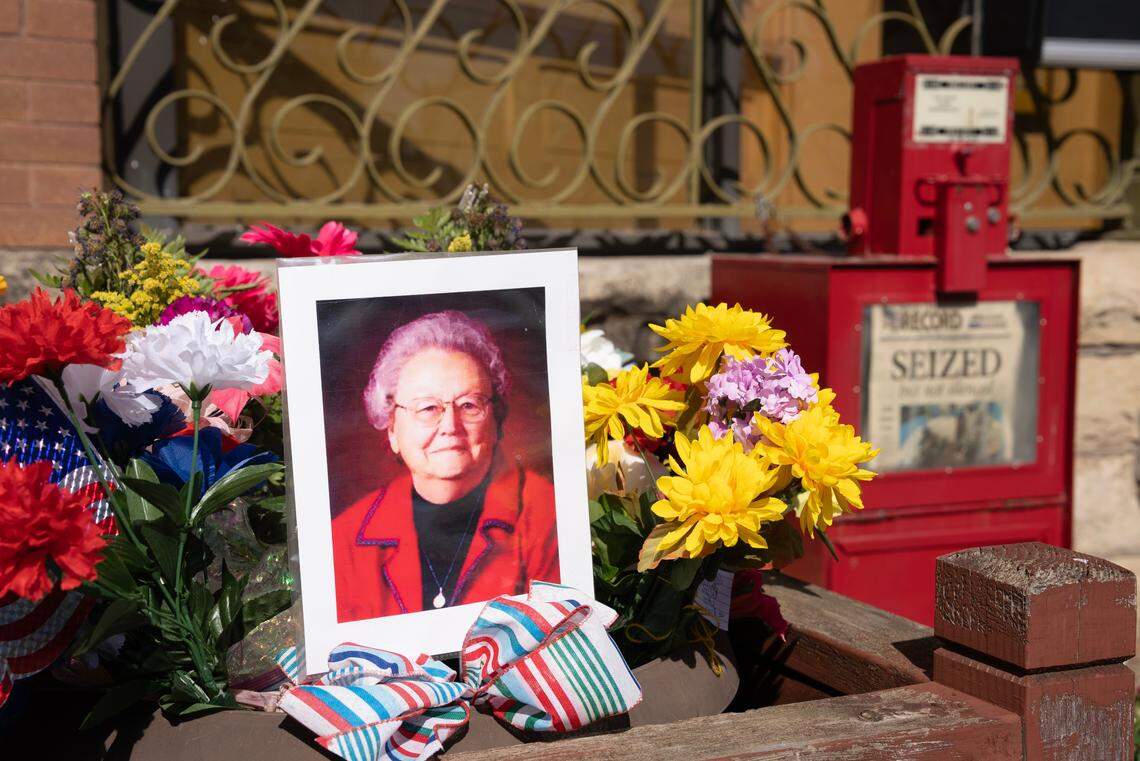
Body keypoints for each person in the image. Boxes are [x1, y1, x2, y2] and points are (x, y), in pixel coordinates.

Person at [331, 310, 559, 622]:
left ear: (496, 420)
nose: (450, 425)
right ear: (392, 429)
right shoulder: (343, 539)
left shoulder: (549, 514)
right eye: (427, 408)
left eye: (469, 404)